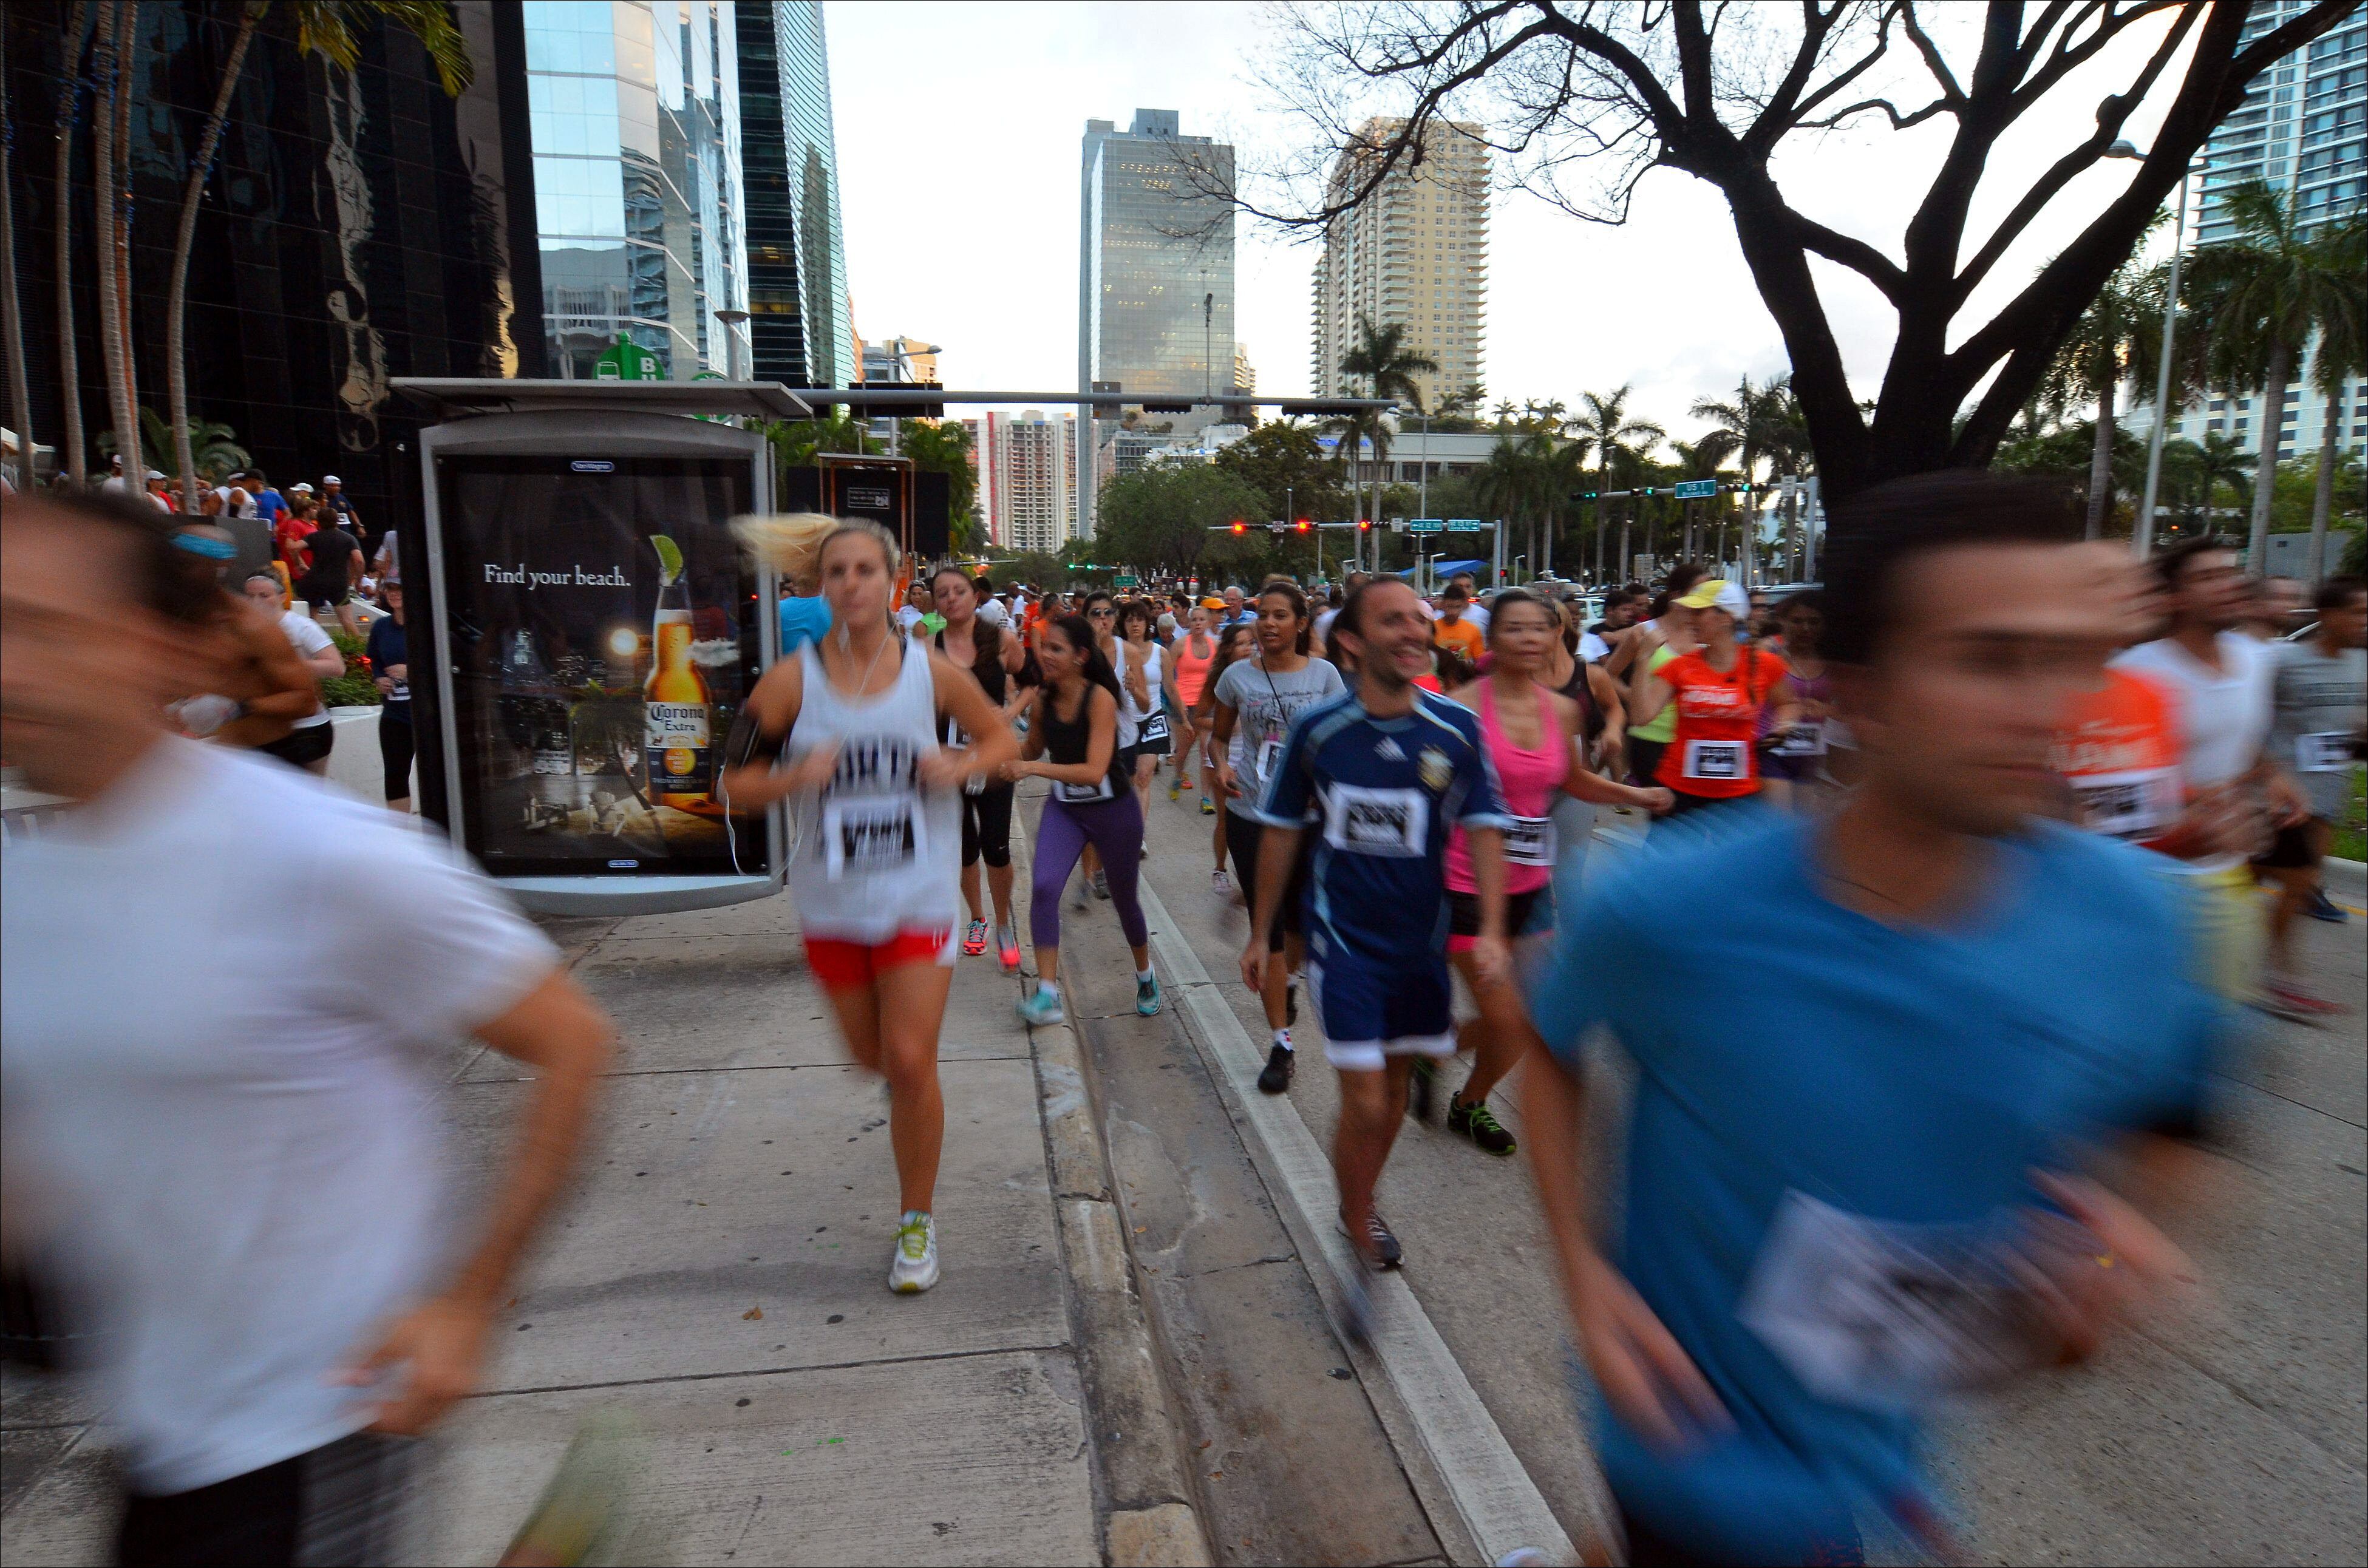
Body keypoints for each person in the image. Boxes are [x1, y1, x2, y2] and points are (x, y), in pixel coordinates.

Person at [1524, 470, 2223, 1568]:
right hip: (1696, 1435)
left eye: (2070, 657)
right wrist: (1583, 1273)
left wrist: (2109, 1254)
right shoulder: (1675, 908)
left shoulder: (2138, 920)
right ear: (1856, 689)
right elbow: (1551, 1043)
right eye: (1989, 658)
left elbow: (2170, 1129)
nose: (2048, 705)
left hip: (1893, 1455)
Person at [2, 488, 614, 1566]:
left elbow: (573, 1042)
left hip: (317, 1416)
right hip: (155, 1418)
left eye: (44, 628)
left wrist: (467, 1302)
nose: (9, 667)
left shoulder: (320, 855)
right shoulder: (27, 884)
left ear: (155, 645)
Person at [718, 521, 1016, 1295]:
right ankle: (910, 1098)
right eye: (836, 572)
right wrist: (793, 777)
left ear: (896, 579)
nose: (850, 583)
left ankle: (916, 1222)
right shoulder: (791, 682)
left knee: (913, 1061)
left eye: (865, 570)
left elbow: (998, 741)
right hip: (835, 903)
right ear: (822, 585)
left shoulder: (932, 674)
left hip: (918, 893)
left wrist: (958, 765)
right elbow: (731, 784)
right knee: (871, 1060)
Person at [1246, 578, 1512, 1285]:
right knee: (1364, 1098)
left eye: (1419, 620)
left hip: (1419, 950)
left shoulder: (1456, 730)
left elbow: (1486, 827)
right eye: (1392, 621)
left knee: (1392, 1098)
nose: (1414, 631)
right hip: (1344, 945)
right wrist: (1261, 932)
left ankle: (1360, 1199)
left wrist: (1488, 928)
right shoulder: (1320, 730)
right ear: (1354, 644)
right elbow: (1279, 832)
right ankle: (1357, 1214)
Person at [1427, 589, 1673, 1155]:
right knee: (1508, 1019)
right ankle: (1431, 1050)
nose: (1531, 639)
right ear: (1492, 639)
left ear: (1558, 634)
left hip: (1531, 883)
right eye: (1516, 628)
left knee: (1531, 1019)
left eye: (1542, 628)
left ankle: (1467, 1100)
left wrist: (1637, 794)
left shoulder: (1563, 708)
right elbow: (1431, 790)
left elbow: (1573, 779)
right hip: (1464, 882)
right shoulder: (1458, 707)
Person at [2113, 538, 2305, 1009]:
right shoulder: (2135, 673)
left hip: (2224, 870)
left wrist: (2273, 773)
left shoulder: (2257, 659)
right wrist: (2193, 798)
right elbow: (2110, 784)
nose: (2230, 584)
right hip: (2147, 876)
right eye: (2208, 577)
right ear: (2174, 597)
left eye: (2231, 572)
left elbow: (2243, 735)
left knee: (2221, 1015)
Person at [1210, 582, 1344, 1090]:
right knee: (1269, 926)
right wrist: (1221, 766)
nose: (1268, 623)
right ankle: (1281, 1045)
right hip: (1252, 811)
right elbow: (1220, 736)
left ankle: (1286, 979)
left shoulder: (1325, 676)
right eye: (1262, 615)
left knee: (1300, 919)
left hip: (1310, 818)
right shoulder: (1236, 677)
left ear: (1301, 623)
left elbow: (1338, 742)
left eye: (1280, 615)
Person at [1006, 613, 1163, 1027]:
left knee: (1125, 901)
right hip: (1066, 809)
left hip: (1113, 810)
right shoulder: (1042, 701)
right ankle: (1047, 994)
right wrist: (997, 750)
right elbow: (1032, 748)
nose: (1046, 655)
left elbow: (1094, 770)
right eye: (1044, 647)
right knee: (1042, 887)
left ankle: (1145, 976)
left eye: (1056, 648)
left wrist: (1033, 770)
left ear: (1079, 656)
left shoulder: (1101, 699)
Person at [2257, 575, 2366, 1016]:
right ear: (2328, 615)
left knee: (2296, 890)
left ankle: (2275, 975)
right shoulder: (2284, 659)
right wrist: (2266, 774)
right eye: (2357, 611)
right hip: (2280, 797)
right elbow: (2248, 718)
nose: (2365, 620)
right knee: (2280, 883)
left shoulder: (2360, 662)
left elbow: (2356, 724)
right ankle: (2279, 976)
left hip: (2328, 795)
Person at [1628, 580, 1801, 824]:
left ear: (1726, 618)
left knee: (1735, 863)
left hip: (1739, 792)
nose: (1691, 619)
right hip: (1679, 788)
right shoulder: (1681, 666)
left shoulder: (1765, 664)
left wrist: (1783, 727)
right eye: (1690, 612)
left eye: (1699, 612)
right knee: (1674, 862)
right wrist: (1643, 659)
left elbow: (1788, 703)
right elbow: (1640, 716)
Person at [931, 565, 1028, 972]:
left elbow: (1034, 681)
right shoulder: (927, 645)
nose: (952, 598)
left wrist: (1008, 715)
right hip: (949, 760)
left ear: (975, 597)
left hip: (992, 761)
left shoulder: (999, 639)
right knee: (964, 847)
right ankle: (977, 919)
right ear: (936, 603)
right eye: (943, 593)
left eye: (959, 591)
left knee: (997, 847)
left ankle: (1004, 924)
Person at [164, 522, 322, 754]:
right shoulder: (177, 617)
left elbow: (306, 701)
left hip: (269, 756)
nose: (174, 574)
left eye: (185, 565)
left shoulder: (251, 627)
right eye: (170, 564)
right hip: (211, 757)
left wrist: (237, 708)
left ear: (220, 567)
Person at [240, 569, 344, 776]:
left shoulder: (301, 626)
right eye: (250, 596)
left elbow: (337, 667)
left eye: (264, 596)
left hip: (307, 728)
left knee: (308, 797)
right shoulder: (242, 631)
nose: (256, 602)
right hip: (266, 725)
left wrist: (288, 665)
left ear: (282, 597)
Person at [1758, 592, 1834, 812]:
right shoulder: (1768, 657)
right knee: (1780, 820)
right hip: (1774, 751)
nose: (1806, 629)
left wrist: (1827, 709)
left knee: (1806, 823)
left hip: (1812, 752)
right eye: (1798, 621)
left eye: (1814, 622)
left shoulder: (1833, 662)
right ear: (1782, 622)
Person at [1200, 623, 1261, 888]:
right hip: (1224, 754)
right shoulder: (1219, 679)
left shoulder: (1263, 673)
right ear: (1228, 649)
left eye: (1251, 643)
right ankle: (1221, 869)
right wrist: (1227, 725)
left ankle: (1251, 872)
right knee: (1226, 819)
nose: (1248, 649)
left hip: (1255, 758)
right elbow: (1199, 717)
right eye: (1241, 643)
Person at [1116, 600, 1171, 823]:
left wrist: (1184, 719)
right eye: (1130, 620)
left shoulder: (1160, 652)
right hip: (1124, 721)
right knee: (1127, 780)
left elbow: (1170, 687)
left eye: (1140, 619)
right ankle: (1127, 825)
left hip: (1153, 718)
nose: (1135, 625)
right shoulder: (1115, 651)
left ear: (1148, 623)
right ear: (1123, 624)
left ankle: (1139, 834)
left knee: (1143, 777)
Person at [368, 579, 417, 812]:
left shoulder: (427, 626)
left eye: (400, 588)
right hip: (394, 714)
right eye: (390, 589)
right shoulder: (381, 627)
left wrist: (411, 671)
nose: (394, 594)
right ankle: (402, 837)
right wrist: (379, 678)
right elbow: (374, 659)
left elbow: (447, 661)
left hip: (425, 715)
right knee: (396, 775)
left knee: (435, 775)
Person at [1166, 603, 1220, 810]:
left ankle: (1205, 798)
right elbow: (1168, 677)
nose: (1198, 623)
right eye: (1194, 620)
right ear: (1189, 622)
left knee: (1207, 751)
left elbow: (1219, 674)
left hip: (1207, 704)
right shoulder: (1180, 645)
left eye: (1201, 620)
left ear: (1208, 622)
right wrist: (1175, 702)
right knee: (1184, 751)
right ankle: (1178, 776)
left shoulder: (1215, 645)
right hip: (1184, 705)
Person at [299, 512, 366, 640]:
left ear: (318, 522)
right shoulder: (348, 538)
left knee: (313, 618)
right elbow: (359, 561)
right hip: (339, 583)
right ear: (337, 521)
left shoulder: (313, 537)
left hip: (315, 582)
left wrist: (299, 562)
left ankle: (315, 646)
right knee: (347, 620)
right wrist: (358, 580)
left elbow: (293, 547)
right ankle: (358, 651)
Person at [1432, 582, 1486, 670]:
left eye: (1457, 607)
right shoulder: (1432, 628)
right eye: (1449, 607)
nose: (1453, 612)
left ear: (1463, 606)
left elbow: (1480, 664)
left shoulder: (1473, 630)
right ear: (1442, 605)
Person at [319, 473, 362, 542]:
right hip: (329, 530)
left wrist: (359, 526)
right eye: (333, 486)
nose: (337, 488)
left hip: (345, 530)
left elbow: (350, 512)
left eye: (338, 486)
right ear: (325, 485)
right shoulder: (322, 497)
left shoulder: (342, 497)